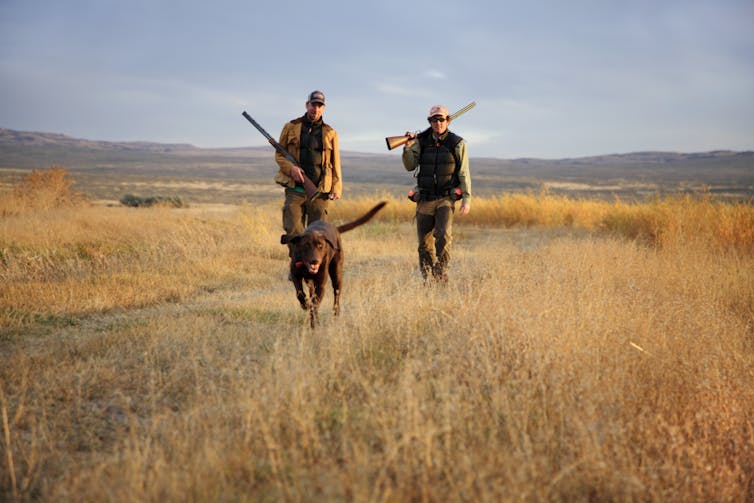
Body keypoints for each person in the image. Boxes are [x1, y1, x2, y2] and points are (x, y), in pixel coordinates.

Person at [402, 104, 471, 283]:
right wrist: (408, 147)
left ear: (447, 121)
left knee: (443, 235)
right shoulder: (421, 141)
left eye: (441, 119)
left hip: (446, 198)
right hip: (424, 198)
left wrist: (466, 199)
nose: (438, 123)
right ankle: (428, 278)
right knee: (424, 245)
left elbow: (464, 172)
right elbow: (410, 165)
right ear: (430, 121)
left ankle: (441, 275)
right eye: (434, 119)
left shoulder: (457, 143)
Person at [274, 90, 342, 240]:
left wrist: (336, 188)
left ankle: (312, 264)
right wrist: (291, 169)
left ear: (323, 108)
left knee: (317, 235)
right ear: (307, 105)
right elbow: (279, 154)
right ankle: (298, 263)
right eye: (313, 104)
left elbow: (335, 162)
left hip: (319, 191)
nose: (316, 109)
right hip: (295, 189)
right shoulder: (290, 127)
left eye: (319, 105)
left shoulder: (330, 133)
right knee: (293, 231)